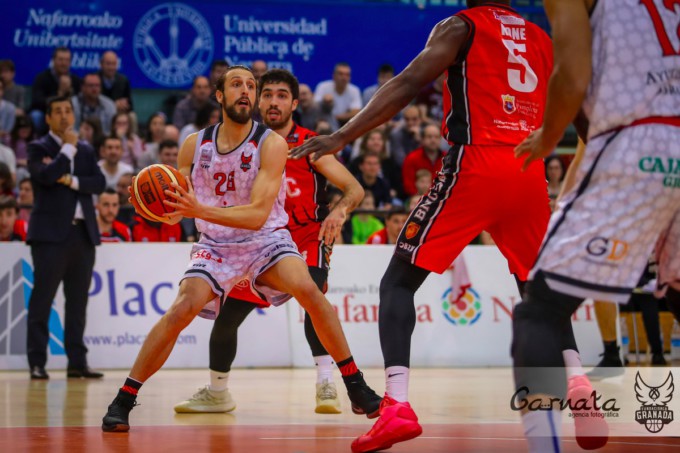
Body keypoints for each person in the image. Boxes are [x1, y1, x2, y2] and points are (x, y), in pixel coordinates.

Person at [291, 2, 560, 452]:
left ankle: (396, 405)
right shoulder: (541, 36)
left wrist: (341, 137)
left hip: (478, 160)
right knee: (537, 290)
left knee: (398, 282)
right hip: (530, 167)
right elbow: (577, 98)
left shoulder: (461, 25)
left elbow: (408, 82)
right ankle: (578, 392)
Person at [101, 66, 381, 432]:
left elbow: (257, 215)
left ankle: (354, 384)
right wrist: (163, 210)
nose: (246, 91)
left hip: (266, 239)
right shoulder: (194, 144)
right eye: (237, 85)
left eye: (251, 85)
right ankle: (124, 398)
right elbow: (177, 205)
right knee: (182, 308)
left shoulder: (273, 144)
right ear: (219, 95)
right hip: (216, 245)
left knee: (310, 290)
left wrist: (196, 210)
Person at [510, 0, 680, 451]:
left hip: (642, 140)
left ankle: (546, 444)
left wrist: (548, 137)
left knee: (539, 310)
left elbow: (572, 76)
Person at [173, 68, 364, 415]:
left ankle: (326, 382)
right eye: (268, 94)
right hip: (257, 242)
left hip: (306, 236)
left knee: (312, 297)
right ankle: (218, 392)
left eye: (281, 96)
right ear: (258, 100)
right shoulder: (242, 141)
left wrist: (339, 212)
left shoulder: (310, 145)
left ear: (294, 103)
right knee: (227, 318)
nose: (273, 102)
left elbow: (354, 188)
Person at [26, 95, 106, 380]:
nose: (63, 116)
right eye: (57, 111)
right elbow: (45, 177)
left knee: (77, 303)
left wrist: (72, 181)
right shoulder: (38, 147)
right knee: (42, 299)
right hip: (49, 237)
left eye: (67, 111)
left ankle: (77, 363)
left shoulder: (85, 150)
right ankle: (37, 362)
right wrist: (67, 150)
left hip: (82, 235)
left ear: (73, 115)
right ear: (47, 118)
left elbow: (100, 182)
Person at [29, 47, 82, 132]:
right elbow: (37, 101)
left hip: (69, 114)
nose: (63, 63)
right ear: (53, 60)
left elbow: (79, 102)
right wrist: (59, 94)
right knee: (36, 115)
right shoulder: (42, 78)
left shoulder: (75, 80)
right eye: (60, 60)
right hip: (47, 114)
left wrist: (70, 91)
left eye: (67, 60)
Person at [401, 123, 445, 197]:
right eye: (429, 137)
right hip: (418, 199)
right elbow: (408, 186)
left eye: (436, 137)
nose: (433, 140)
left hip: (442, 200)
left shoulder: (448, 158)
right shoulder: (412, 158)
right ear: (422, 139)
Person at [314, 62, 362, 127]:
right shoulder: (322, 86)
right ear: (334, 75)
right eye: (341, 74)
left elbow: (356, 112)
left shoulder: (354, 90)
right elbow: (315, 108)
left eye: (347, 75)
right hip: (325, 123)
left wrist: (334, 118)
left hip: (345, 124)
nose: (344, 77)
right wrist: (325, 102)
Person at [98, 51, 134, 115]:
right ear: (101, 64)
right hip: (98, 113)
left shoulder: (123, 80)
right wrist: (113, 105)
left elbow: (130, 106)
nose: (111, 67)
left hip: (118, 114)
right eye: (108, 64)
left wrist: (124, 105)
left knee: (132, 116)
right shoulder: (95, 79)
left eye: (114, 64)